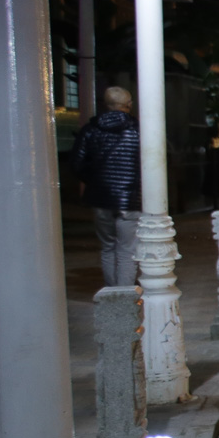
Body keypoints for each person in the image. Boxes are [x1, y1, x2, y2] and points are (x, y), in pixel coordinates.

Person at [71, 86, 142, 287]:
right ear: (128, 105)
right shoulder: (139, 130)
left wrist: (96, 182)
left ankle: (112, 293)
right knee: (127, 250)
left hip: (100, 198)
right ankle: (126, 295)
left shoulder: (90, 130)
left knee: (108, 247)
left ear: (105, 105)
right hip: (130, 199)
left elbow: (76, 164)